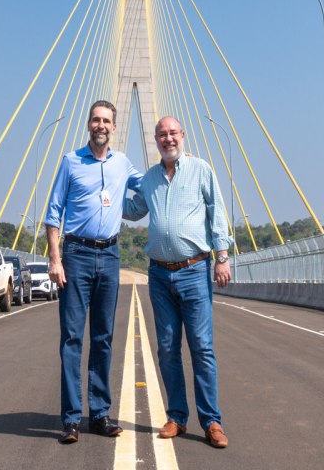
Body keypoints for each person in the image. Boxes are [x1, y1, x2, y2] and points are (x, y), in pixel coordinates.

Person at [124, 116, 232, 448]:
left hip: (194, 270)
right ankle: (176, 417)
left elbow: (216, 212)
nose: (168, 139)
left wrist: (222, 256)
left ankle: (212, 422)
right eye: (162, 135)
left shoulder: (201, 169)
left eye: (173, 133)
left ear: (182, 136)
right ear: (154, 140)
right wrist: (103, 193)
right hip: (158, 273)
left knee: (201, 348)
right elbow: (134, 209)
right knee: (168, 348)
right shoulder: (150, 179)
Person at [44, 100, 141, 444]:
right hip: (77, 254)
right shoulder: (71, 162)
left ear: (114, 127)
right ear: (89, 124)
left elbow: (154, 188)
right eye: (96, 120)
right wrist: (55, 259)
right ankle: (71, 419)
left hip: (110, 255)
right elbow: (54, 213)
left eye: (107, 121)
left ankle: (99, 414)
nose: (101, 125)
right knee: (72, 338)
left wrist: (180, 167)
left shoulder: (123, 165)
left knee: (103, 338)